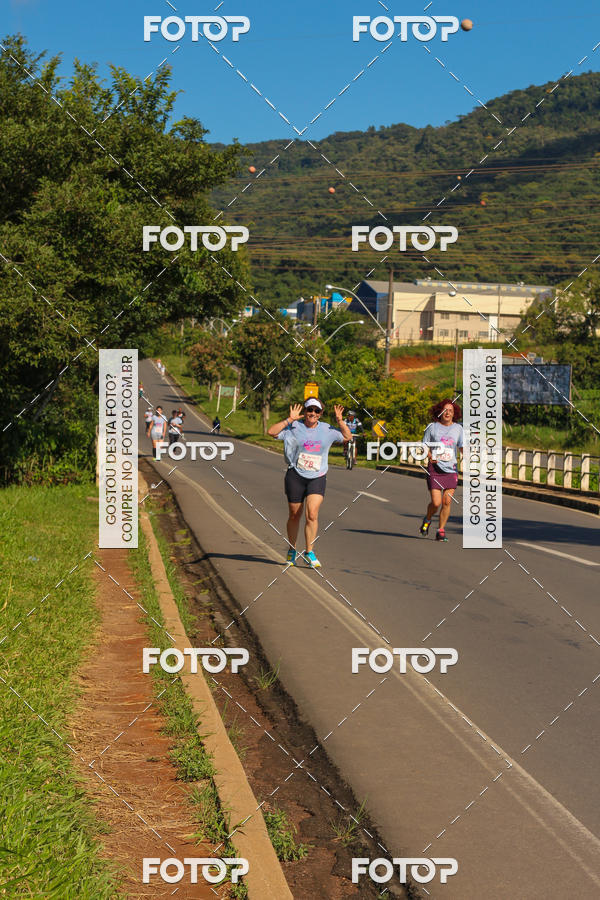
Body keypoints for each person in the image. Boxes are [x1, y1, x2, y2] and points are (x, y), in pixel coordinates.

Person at [268, 398, 351, 568]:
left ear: (321, 414)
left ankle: (309, 552)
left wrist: (340, 421)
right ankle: (292, 550)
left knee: (312, 514)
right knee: (294, 515)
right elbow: (271, 432)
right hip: (295, 476)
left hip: (317, 476)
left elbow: (347, 437)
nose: (312, 413)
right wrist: (289, 419)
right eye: (309, 410)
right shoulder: (294, 427)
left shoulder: (327, 429)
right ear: (305, 411)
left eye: (317, 411)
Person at [420, 398, 463, 542]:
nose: (448, 413)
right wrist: (430, 455)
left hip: (451, 469)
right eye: (445, 410)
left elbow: (462, 446)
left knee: (447, 501)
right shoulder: (432, 427)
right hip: (435, 468)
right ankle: (427, 519)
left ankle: (441, 530)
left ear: (454, 413)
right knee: (436, 502)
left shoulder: (458, 429)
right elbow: (425, 444)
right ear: (440, 411)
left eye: (450, 410)